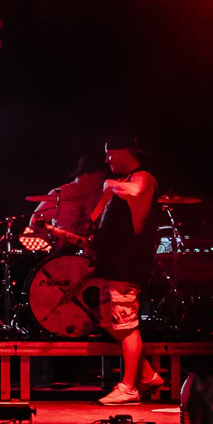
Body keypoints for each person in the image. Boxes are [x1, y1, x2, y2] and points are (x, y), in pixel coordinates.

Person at [86, 141, 164, 406]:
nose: (107, 161)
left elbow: (135, 190)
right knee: (112, 324)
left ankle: (129, 387)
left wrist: (110, 186)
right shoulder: (119, 181)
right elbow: (97, 217)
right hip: (113, 265)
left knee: (126, 323)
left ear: (123, 151)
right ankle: (147, 375)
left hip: (127, 265)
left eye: (109, 154)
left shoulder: (143, 177)